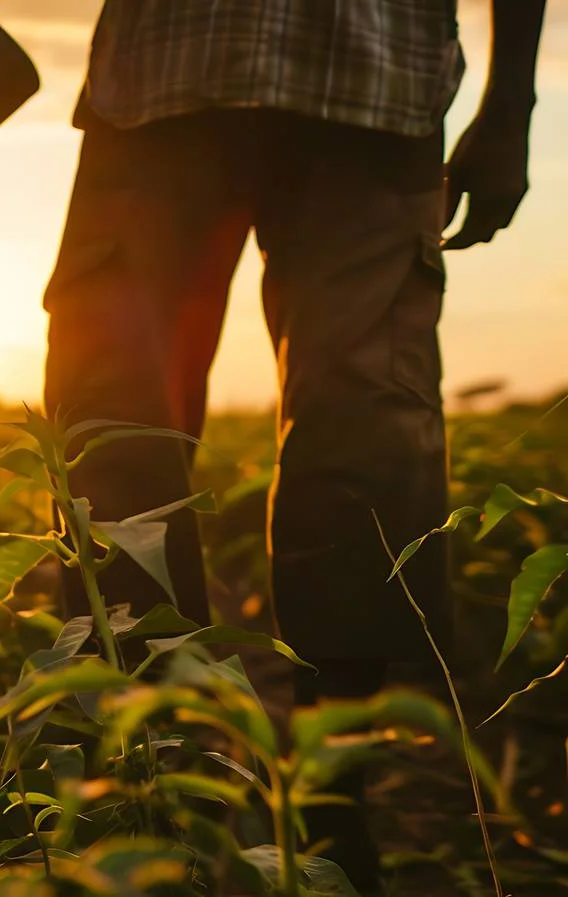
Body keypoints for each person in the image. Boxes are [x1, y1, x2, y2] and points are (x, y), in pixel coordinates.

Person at [41, 1, 545, 891]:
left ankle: (332, 794)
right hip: (163, 73)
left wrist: (512, 104)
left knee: (367, 434)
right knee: (112, 431)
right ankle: (145, 782)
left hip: (377, 79)